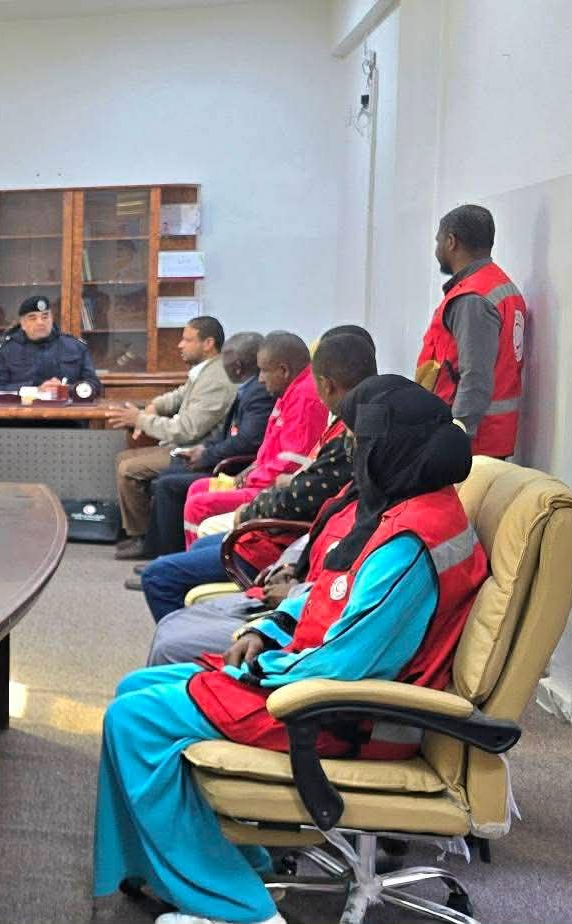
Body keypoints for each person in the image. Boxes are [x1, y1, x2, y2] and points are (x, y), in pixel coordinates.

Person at [93, 375, 489, 924]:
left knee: (133, 719)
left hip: (341, 713)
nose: (354, 456)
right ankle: (222, 867)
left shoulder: (410, 543)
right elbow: (328, 590)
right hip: (324, 690)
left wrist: (259, 671)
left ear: (391, 450)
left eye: (362, 444)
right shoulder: (408, 508)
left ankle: (240, 910)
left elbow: (346, 663)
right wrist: (267, 629)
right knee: (135, 688)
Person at [139, 328, 377, 627]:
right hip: (288, 527)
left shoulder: (344, 430)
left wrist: (250, 509)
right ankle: (191, 602)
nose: (260, 378)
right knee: (199, 535)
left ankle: (187, 630)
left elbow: (302, 490)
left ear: (325, 384)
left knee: (159, 574)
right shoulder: (353, 422)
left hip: (284, 539)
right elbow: (298, 475)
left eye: (264, 371)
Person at [111, 327, 261, 562]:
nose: (180, 345)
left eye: (187, 339)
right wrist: (154, 407)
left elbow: (188, 430)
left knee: (135, 471)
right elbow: (178, 396)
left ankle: (151, 544)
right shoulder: (205, 371)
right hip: (199, 448)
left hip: (198, 447)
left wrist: (141, 419)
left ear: (208, 343)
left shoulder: (219, 379)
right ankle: (145, 537)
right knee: (126, 460)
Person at [173, 332, 329, 549]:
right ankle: (192, 556)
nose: (260, 379)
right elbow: (269, 450)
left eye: (264, 371)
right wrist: (246, 474)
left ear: (283, 370)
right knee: (199, 487)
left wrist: (249, 479)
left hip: (272, 490)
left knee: (199, 505)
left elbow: (291, 463)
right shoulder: (288, 390)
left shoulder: (305, 398)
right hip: (260, 480)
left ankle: (199, 562)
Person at [417, 204, 527, 458]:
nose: (436, 249)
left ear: (451, 242)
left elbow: (475, 376)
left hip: (471, 445)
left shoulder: (472, 298)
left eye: (438, 241)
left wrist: (454, 438)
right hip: (488, 439)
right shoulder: (498, 285)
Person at [0, 295, 101, 395]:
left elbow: (94, 385)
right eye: (33, 318)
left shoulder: (75, 347)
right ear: (23, 324)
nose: (40, 322)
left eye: (45, 317)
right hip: (23, 412)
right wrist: (36, 390)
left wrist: (67, 389)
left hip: (67, 412)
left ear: (52, 319)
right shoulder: (7, 350)